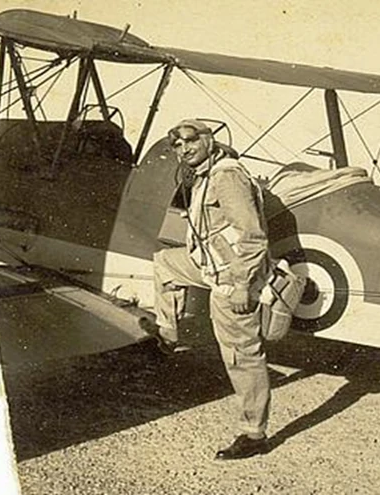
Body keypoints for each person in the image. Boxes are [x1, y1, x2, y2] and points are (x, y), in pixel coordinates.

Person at [148, 118, 271, 460]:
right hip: (211, 268)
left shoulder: (226, 176)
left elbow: (252, 236)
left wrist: (244, 286)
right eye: (177, 144)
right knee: (165, 262)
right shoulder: (206, 174)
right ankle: (168, 334)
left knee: (241, 355)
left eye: (190, 140)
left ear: (209, 141)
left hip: (234, 279)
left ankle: (254, 433)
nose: (183, 148)